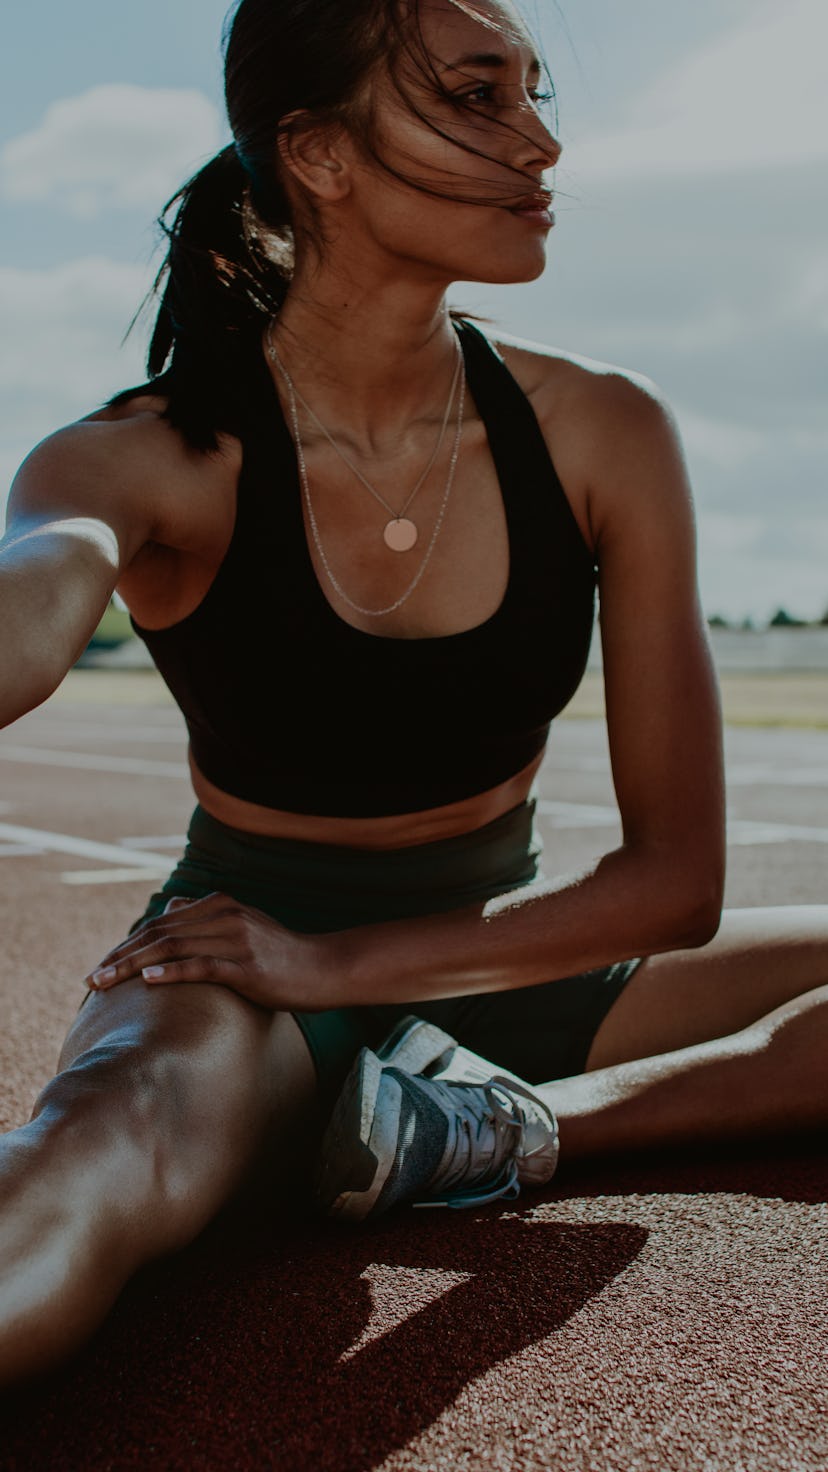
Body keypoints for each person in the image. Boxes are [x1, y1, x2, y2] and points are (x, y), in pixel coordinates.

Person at [0, 0, 825, 1385]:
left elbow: (677, 884)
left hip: (532, 961)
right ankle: (383, 1109)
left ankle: (510, 1127)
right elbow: (29, 618)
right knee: (88, 1162)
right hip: (243, 979)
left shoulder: (603, 430)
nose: (542, 141)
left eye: (534, 93)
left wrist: (347, 968)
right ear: (318, 152)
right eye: (480, 96)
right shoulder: (144, 459)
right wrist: (302, 974)